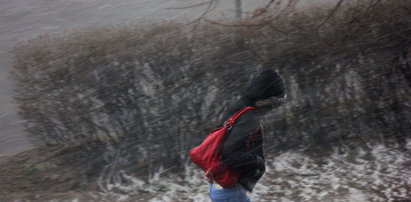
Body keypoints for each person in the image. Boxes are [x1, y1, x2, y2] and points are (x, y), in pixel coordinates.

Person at [209, 67, 286, 202]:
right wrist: (257, 162)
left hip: (221, 185)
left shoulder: (241, 106)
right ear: (269, 97)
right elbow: (230, 152)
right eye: (276, 101)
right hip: (231, 190)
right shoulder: (250, 116)